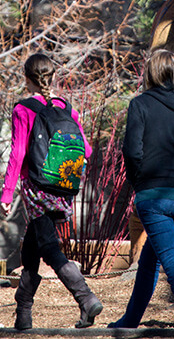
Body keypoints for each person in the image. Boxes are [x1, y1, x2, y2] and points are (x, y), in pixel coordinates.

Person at [108, 48, 174, 330]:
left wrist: (140, 183)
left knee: (173, 264)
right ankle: (130, 320)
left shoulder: (140, 105)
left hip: (155, 200)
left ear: (150, 72)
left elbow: (131, 152)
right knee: (149, 261)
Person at [0, 53, 102, 330]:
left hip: (36, 189)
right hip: (64, 188)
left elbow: (18, 153)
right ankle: (23, 314)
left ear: (26, 78)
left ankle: (86, 298)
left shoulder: (24, 109)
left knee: (48, 248)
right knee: (31, 248)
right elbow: (87, 150)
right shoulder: (67, 108)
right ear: (52, 77)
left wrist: (7, 194)